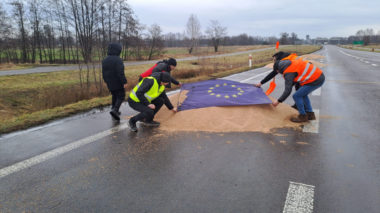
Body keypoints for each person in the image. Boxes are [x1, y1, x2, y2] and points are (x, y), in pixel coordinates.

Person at [270, 52, 325, 122]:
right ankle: (310, 114)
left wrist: (278, 101)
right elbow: (292, 82)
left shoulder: (288, 72)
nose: (279, 73)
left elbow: (288, 90)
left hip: (315, 79)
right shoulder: (290, 63)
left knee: (296, 96)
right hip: (318, 76)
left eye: (278, 72)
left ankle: (303, 116)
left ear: (278, 69)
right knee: (303, 95)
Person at [102, 43, 127, 121]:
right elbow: (120, 73)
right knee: (121, 95)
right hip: (118, 82)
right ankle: (115, 110)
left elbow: (103, 72)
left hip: (109, 82)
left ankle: (113, 108)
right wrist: (124, 82)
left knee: (114, 95)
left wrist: (106, 81)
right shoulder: (118, 60)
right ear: (118, 50)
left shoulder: (105, 60)